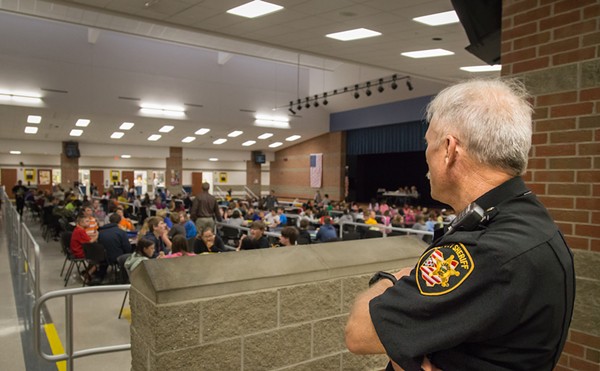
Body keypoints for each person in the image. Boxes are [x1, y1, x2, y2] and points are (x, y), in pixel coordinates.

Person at [345, 79, 575, 371]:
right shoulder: (530, 220)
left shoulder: (487, 250)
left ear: (449, 150)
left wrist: (395, 279)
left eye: (428, 144)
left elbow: (360, 331)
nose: (425, 158)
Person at [97, 213, 132, 278]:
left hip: (102, 257)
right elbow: (127, 248)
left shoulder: (100, 231)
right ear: (120, 221)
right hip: (116, 257)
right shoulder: (121, 232)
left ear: (109, 220)